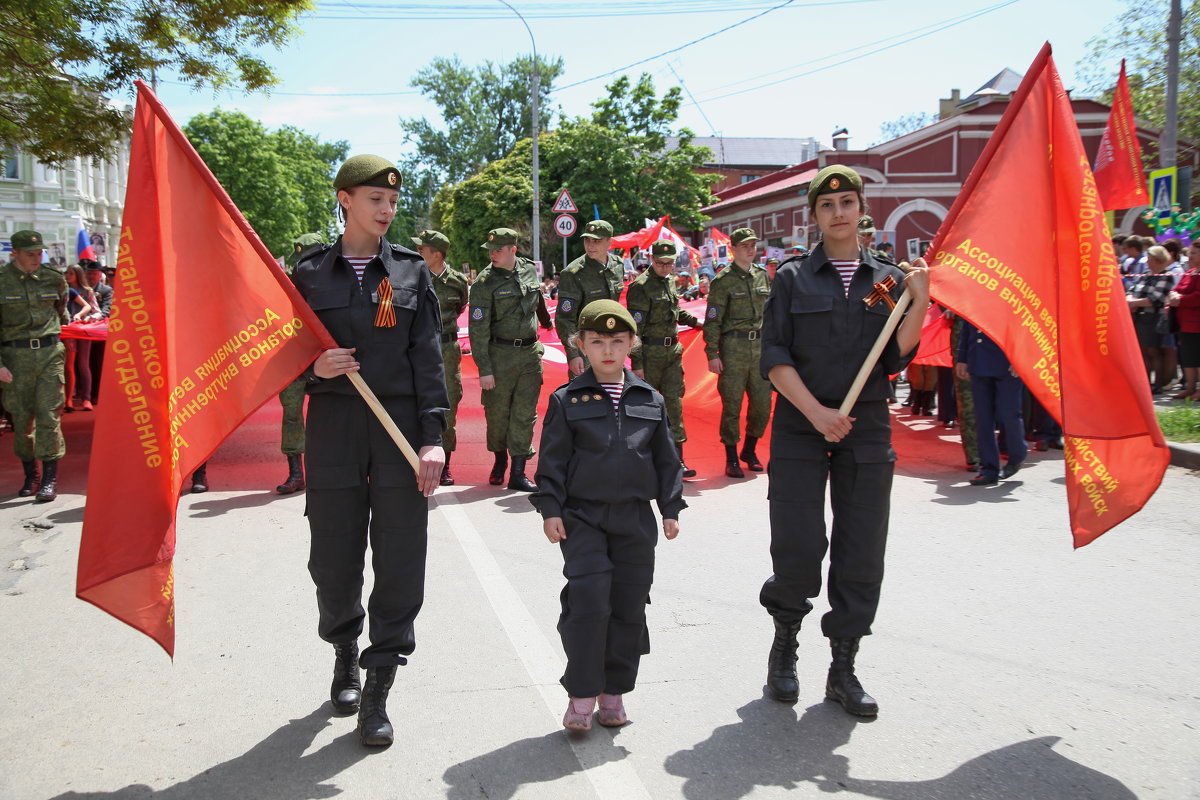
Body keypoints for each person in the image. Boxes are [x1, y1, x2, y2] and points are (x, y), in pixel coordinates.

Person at [758, 165, 929, 717]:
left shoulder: (888, 281)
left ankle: (843, 667)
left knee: (861, 549)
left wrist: (919, 301)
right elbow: (775, 358)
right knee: (799, 545)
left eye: (848, 203)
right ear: (814, 216)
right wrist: (816, 413)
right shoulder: (792, 278)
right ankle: (785, 645)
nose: (838, 213)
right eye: (827, 206)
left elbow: (897, 356)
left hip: (867, 424)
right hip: (802, 426)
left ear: (861, 210)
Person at [291, 154, 448, 748]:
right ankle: (344, 649)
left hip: (399, 432)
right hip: (333, 431)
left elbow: (429, 360)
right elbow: (282, 353)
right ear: (344, 199)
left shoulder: (410, 273)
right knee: (332, 562)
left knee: (402, 558)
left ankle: (380, 681)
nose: (386, 210)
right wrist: (313, 366)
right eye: (374, 200)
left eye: (392, 201)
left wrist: (433, 439)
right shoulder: (307, 273)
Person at [531, 299, 684, 731]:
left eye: (617, 341)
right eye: (597, 341)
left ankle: (613, 694)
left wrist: (670, 507)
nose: (608, 350)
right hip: (583, 518)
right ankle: (581, 695)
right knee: (589, 603)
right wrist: (550, 508)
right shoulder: (567, 399)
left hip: (635, 520)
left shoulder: (650, 398)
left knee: (628, 606)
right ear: (581, 344)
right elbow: (553, 461)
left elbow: (666, 459)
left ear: (631, 344)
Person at [468, 227, 552, 491]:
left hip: (529, 354)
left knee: (524, 415)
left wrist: (547, 321)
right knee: (497, 415)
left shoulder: (528, 269)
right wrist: (485, 368)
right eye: (490, 250)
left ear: (513, 250)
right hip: (499, 356)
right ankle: (499, 460)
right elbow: (477, 329)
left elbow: (536, 297)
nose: (493, 254)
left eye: (498, 249)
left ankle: (518, 472)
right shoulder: (484, 283)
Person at [625, 240, 705, 477]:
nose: (665, 268)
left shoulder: (670, 281)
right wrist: (637, 364)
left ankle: (677, 460)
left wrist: (694, 321)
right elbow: (634, 330)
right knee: (646, 410)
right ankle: (643, 460)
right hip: (649, 356)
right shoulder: (640, 287)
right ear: (651, 259)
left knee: (674, 405)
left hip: (672, 355)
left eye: (669, 263)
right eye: (660, 263)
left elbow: (675, 311)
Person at [0, 230, 69, 502]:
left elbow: (60, 310)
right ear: (14, 253)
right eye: (30, 254)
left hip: (50, 354)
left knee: (49, 415)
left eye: (40, 252)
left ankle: (49, 479)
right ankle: (31, 474)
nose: (37, 258)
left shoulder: (53, 278)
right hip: (14, 360)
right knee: (22, 421)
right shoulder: (2, 282)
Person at [703, 227, 773, 478]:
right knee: (731, 405)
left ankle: (749, 450)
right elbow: (713, 321)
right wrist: (712, 353)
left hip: (760, 349)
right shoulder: (723, 281)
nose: (750, 250)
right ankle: (731, 457)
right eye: (745, 246)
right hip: (733, 349)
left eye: (753, 245)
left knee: (763, 405)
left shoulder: (763, 276)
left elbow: (770, 315)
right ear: (733, 249)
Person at [412, 229, 468, 485]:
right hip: (418, 347)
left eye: (422, 249)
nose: (418, 252)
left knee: (448, 405)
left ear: (436, 254)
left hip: (447, 348)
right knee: (414, 400)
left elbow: (461, 306)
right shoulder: (412, 274)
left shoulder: (457, 281)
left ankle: (444, 463)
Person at [275, 233, 327, 495]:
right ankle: (296, 473)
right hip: (294, 358)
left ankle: (339, 468)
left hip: (326, 357)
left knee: (335, 412)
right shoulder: (288, 284)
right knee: (292, 413)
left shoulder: (336, 279)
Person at [956, 321, 1026, 486]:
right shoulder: (973, 298)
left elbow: (1024, 326)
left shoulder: (1010, 296)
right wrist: (962, 357)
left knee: (1009, 414)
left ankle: (1017, 454)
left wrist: (1021, 357)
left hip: (1008, 362)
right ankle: (989, 469)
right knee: (983, 419)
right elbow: (967, 326)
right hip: (978, 360)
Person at [555, 220, 625, 377]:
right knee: (586, 398)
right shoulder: (573, 273)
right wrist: (573, 354)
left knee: (612, 394)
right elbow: (564, 319)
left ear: (610, 242)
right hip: (586, 347)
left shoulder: (617, 265)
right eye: (587, 240)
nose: (590, 245)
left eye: (597, 241)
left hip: (613, 345)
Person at [1127, 245, 1177, 393]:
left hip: (1154, 317)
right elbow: (1132, 289)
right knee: (1142, 351)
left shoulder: (1166, 276)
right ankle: (1145, 382)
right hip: (1140, 317)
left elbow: (1155, 299)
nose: (1147, 262)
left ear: (1157, 259)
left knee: (1153, 351)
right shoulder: (1146, 274)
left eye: (1150, 259)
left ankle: (1158, 384)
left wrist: (1132, 303)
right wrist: (1130, 299)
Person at [62, 264, 99, 414]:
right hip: (69, 330)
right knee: (68, 365)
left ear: (78, 274)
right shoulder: (63, 290)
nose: (68, 275)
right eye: (67, 273)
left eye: (71, 273)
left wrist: (88, 318)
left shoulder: (87, 291)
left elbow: (95, 310)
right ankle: (68, 399)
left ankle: (86, 398)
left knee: (83, 364)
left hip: (84, 330)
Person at [1168, 242, 1200, 400]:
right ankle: (1190, 387)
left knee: (1198, 357)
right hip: (1185, 323)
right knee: (1188, 357)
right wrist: (1173, 294)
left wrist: (1181, 299)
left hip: (1197, 323)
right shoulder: (1190, 272)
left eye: (1194, 253)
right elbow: (1177, 288)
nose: (1190, 256)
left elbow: (1198, 296)